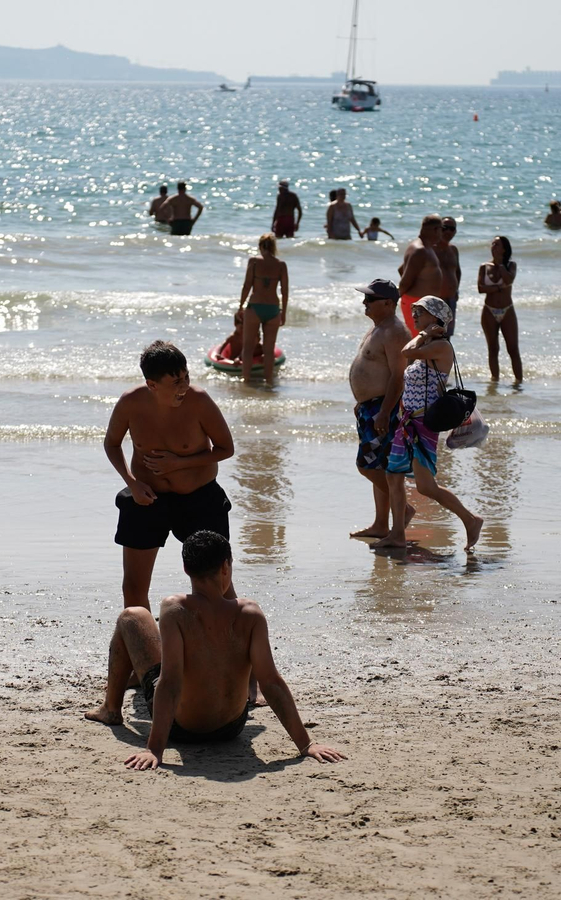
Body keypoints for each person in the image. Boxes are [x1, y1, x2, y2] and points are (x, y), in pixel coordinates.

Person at [84, 531, 346, 769]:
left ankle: (111, 708)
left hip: (182, 729)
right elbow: (270, 682)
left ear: (186, 568)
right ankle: (113, 708)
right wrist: (306, 744)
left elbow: (171, 681)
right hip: (232, 727)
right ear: (226, 566)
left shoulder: (175, 609)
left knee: (133, 615)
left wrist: (154, 749)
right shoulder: (250, 613)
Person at [105, 341, 235, 609]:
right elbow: (112, 444)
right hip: (147, 499)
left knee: (218, 586)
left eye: (186, 377)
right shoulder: (131, 402)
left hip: (200, 499)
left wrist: (180, 463)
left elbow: (226, 449)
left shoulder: (199, 401)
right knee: (133, 588)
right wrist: (132, 483)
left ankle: (229, 642)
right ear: (152, 384)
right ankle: (146, 646)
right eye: (176, 381)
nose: (184, 386)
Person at [374, 297, 485, 553]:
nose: (414, 315)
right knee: (393, 475)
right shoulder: (427, 343)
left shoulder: (442, 346)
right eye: (414, 311)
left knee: (425, 486)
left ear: (434, 318)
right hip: (407, 422)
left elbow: (406, 352)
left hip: (422, 424)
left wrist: (423, 334)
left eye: (420, 312)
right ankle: (398, 534)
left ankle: (471, 519)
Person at [348, 278, 411, 540]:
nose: (365, 303)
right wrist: (361, 402)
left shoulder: (395, 331)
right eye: (365, 298)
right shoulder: (378, 327)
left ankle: (404, 509)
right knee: (380, 464)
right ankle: (380, 524)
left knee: (367, 466)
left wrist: (385, 411)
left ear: (388, 303)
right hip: (370, 407)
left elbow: (399, 376)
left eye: (370, 299)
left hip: (384, 407)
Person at [236, 233, 289, 385]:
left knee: (248, 348)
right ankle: (269, 382)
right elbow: (285, 291)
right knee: (269, 349)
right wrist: (283, 312)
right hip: (273, 309)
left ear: (260, 246)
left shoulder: (253, 261)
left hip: (255, 307)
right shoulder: (281, 265)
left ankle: (246, 381)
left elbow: (247, 286)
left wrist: (240, 306)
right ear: (274, 247)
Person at [398, 215, 454, 336]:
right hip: (416, 305)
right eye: (441, 229)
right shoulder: (420, 250)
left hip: (425, 306)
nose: (442, 233)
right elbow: (405, 282)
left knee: (425, 345)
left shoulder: (427, 247)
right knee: (417, 344)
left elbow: (401, 269)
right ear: (435, 229)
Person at [477, 236, 521, 383]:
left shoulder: (511, 265)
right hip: (489, 310)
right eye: (493, 244)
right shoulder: (484, 266)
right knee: (493, 348)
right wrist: (498, 288)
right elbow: (481, 288)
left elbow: (509, 280)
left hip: (507, 310)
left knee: (513, 348)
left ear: (504, 249)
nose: (493, 246)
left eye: (497, 244)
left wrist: (500, 264)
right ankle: (495, 381)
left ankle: (518, 383)